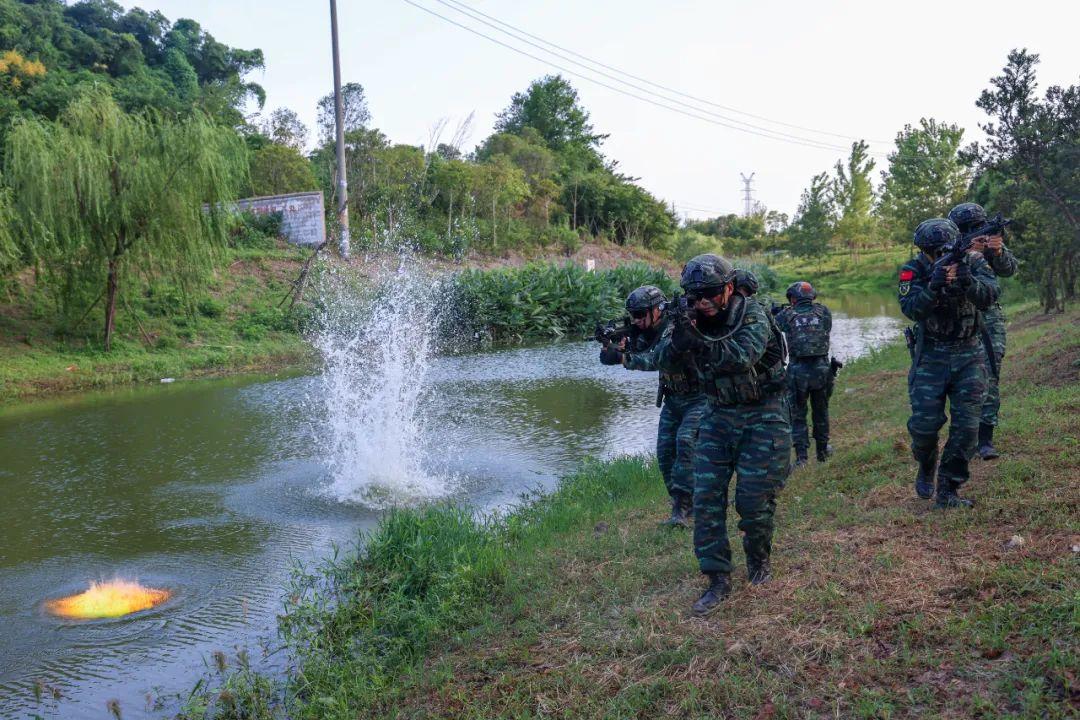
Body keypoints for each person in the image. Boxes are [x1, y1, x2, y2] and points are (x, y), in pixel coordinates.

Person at [661, 254, 790, 615]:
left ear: (728, 288)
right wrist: (677, 342)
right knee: (705, 500)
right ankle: (717, 577)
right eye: (694, 294)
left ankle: (758, 560)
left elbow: (741, 355)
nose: (702, 301)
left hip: (763, 414)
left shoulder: (751, 313)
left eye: (710, 293)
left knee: (752, 501)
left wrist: (697, 343)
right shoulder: (688, 316)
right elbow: (664, 361)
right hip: (717, 415)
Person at [899, 219, 999, 508]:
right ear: (924, 251)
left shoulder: (974, 262)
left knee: (968, 427)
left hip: (969, 353)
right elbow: (910, 309)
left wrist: (968, 282)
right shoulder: (913, 270)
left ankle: (948, 490)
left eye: (942, 249)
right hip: (931, 355)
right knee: (924, 427)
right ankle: (926, 464)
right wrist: (933, 287)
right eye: (933, 251)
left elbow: (991, 297)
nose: (938, 254)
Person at [599, 285, 707, 527]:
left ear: (657, 310)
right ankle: (685, 502)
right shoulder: (647, 331)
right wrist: (612, 348)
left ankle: (683, 507)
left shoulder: (675, 328)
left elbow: (657, 359)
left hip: (699, 397)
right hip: (673, 399)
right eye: (632, 315)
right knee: (665, 453)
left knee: (686, 443)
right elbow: (636, 348)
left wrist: (622, 358)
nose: (635, 320)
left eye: (640, 314)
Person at [947, 202, 1019, 460]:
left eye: (979, 226)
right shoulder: (950, 246)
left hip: (989, 318)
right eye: (970, 228)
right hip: (957, 320)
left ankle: (985, 439)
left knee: (990, 373)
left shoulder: (990, 242)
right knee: (961, 379)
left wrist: (996, 253)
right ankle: (964, 435)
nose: (977, 231)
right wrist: (967, 255)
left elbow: (1010, 270)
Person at [776, 281, 834, 466]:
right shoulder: (824, 312)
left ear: (793, 299)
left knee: (798, 414)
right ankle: (823, 452)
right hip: (822, 369)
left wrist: (776, 311)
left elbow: (777, 326)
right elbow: (826, 328)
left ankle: (802, 458)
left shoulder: (786, 315)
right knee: (821, 411)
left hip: (797, 371)